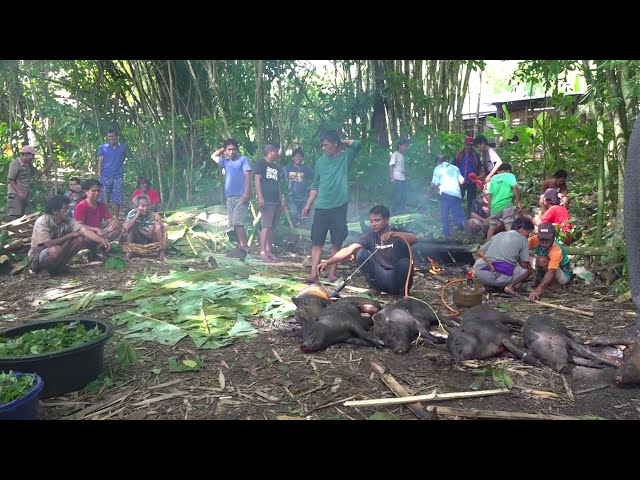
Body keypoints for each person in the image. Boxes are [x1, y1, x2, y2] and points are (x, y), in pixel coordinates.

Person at [302, 130, 362, 284]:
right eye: (322, 145)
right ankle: (313, 273)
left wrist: (342, 142)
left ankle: (332, 274)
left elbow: (357, 144)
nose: (323, 147)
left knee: (337, 241)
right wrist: (308, 205)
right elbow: (315, 185)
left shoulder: (345, 158)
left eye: (326, 144)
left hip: (339, 206)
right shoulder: (320, 162)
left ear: (335, 144)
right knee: (317, 241)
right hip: (322, 206)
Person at [318, 205, 417, 295]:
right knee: (361, 253)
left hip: (396, 279)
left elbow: (415, 239)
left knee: (405, 263)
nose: (373, 224)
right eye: (371, 221)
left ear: (386, 220)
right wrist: (327, 262)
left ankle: (401, 294)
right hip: (380, 276)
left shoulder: (398, 233)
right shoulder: (370, 236)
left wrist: (394, 234)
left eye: (377, 220)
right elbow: (349, 249)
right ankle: (375, 288)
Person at [28, 195, 110, 277]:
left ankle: (60, 266)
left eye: (68, 208)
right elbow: (48, 244)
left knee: (80, 239)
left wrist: (102, 240)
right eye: (65, 209)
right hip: (37, 258)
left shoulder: (68, 220)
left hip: (58, 253)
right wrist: (69, 235)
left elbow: (83, 231)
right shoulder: (42, 221)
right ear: (55, 211)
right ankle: (42, 270)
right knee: (55, 250)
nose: (68, 211)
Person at [211, 138, 252, 258]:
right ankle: (241, 246)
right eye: (229, 149)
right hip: (230, 196)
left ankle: (244, 246)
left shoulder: (243, 160)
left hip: (241, 195)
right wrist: (223, 149)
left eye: (234, 149)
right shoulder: (225, 162)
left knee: (239, 222)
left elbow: (247, 176)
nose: (232, 152)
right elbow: (213, 155)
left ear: (237, 150)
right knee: (233, 222)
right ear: (225, 151)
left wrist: (247, 193)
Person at [472, 217, 534, 295]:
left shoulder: (498, 234)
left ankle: (483, 286)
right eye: (528, 233)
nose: (528, 236)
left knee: (479, 262)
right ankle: (510, 286)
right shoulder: (523, 239)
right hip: (502, 278)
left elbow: (480, 252)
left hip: (482, 275)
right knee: (528, 270)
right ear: (521, 229)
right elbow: (524, 264)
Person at [254, 143, 287, 262]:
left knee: (272, 227)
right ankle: (262, 251)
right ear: (270, 151)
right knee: (266, 226)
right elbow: (257, 181)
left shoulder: (275, 167)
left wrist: (281, 199)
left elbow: (277, 185)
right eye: (276, 151)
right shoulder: (260, 163)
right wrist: (260, 197)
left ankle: (268, 250)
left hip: (275, 200)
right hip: (266, 200)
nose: (278, 154)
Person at [528, 223, 573, 301]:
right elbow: (522, 246)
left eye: (547, 239)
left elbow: (551, 271)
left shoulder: (556, 249)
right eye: (542, 239)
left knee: (542, 260)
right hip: (546, 269)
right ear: (538, 237)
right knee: (526, 257)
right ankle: (541, 281)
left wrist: (538, 290)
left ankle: (555, 285)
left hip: (562, 274)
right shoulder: (534, 240)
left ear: (553, 238)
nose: (544, 242)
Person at [6, 145, 53, 218]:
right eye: (32, 155)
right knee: (15, 215)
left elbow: (39, 173)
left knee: (25, 215)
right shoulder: (15, 163)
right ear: (26, 154)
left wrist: (49, 166)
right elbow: (11, 179)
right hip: (15, 193)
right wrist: (19, 192)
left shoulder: (28, 165)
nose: (33, 157)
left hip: (25, 193)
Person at [74, 179, 122, 249]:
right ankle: (99, 246)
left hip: (100, 232)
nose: (97, 193)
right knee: (85, 237)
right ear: (86, 192)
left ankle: (100, 246)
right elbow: (78, 225)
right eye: (93, 191)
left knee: (117, 229)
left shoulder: (102, 206)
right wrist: (95, 229)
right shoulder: (81, 206)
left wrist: (114, 222)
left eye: (98, 191)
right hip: (87, 234)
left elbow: (110, 221)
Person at [428, 154, 464, 239]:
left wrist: (428, 194)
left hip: (445, 194)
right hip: (456, 194)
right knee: (458, 216)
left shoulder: (438, 169)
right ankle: (464, 231)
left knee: (444, 216)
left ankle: (447, 235)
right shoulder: (455, 168)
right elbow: (462, 181)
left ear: (438, 161)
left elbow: (433, 185)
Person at [122, 194, 166, 261]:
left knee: (158, 225)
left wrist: (139, 229)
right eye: (142, 206)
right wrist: (136, 215)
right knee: (131, 226)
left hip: (149, 241)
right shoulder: (132, 213)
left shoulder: (152, 215)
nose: (145, 208)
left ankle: (161, 251)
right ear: (136, 207)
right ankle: (129, 252)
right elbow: (126, 227)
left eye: (147, 206)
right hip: (136, 240)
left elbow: (149, 234)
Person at [486, 163, 522, 240]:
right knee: (509, 225)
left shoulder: (494, 178)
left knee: (492, 226)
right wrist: (518, 202)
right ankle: (511, 245)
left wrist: (489, 207)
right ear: (508, 170)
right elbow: (515, 187)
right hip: (506, 204)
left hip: (494, 206)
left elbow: (489, 193)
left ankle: (486, 247)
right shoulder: (510, 176)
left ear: (499, 171)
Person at [98, 128, 127, 219]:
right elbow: (100, 162)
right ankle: (105, 218)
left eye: (113, 136)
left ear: (116, 137)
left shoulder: (122, 147)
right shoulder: (103, 147)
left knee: (117, 199)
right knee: (104, 198)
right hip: (105, 176)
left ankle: (116, 218)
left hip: (118, 176)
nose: (111, 138)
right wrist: (99, 175)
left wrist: (121, 170)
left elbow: (123, 159)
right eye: (109, 136)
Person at [282, 148, 314, 227]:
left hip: (304, 199)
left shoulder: (307, 169)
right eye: (296, 156)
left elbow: (315, 179)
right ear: (292, 158)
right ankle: (294, 237)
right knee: (294, 216)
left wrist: (310, 189)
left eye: (300, 156)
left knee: (304, 218)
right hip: (292, 198)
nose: (298, 158)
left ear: (302, 158)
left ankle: (302, 239)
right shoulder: (288, 168)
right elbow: (281, 181)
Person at [453, 136, 484, 216]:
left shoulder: (475, 156)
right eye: (468, 145)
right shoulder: (459, 155)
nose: (469, 147)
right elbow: (454, 167)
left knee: (471, 201)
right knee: (458, 199)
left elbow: (480, 169)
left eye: (471, 145)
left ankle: (469, 217)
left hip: (471, 182)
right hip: (460, 181)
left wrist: (479, 179)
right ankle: (457, 216)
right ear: (465, 144)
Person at [389, 139, 409, 215]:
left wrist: (406, 175)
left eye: (406, 146)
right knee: (398, 196)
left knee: (404, 196)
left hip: (402, 178)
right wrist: (392, 178)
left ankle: (401, 212)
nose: (405, 148)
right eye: (404, 146)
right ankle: (394, 213)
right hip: (397, 178)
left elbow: (400, 168)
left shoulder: (402, 156)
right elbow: (391, 166)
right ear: (399, 146)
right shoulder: (395, 154)